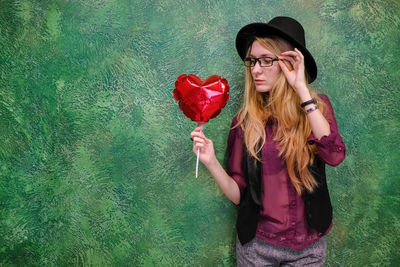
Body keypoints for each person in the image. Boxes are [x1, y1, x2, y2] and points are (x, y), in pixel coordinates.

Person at [190, 16, 346, 266]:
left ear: (290, 63)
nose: (255, 70)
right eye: (252, 61)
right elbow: (239, 195)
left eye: (266, 61)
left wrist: (302, 91)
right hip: (257, 248)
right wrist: (210, 161)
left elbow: (335, 155)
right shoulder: (244, 121)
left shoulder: (318, 109)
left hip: (308, 248)